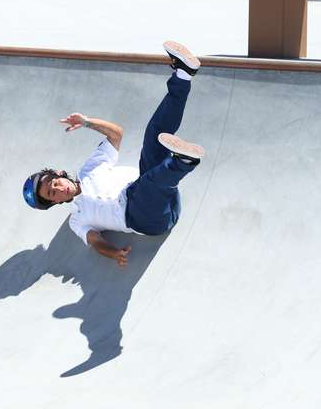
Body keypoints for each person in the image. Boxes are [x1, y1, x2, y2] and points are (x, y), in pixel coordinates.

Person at [22, 41, 205, 268]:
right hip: (146, 217)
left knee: (153, 137)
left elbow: (116, 135)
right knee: (147, 184)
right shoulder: (77, 219)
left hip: (159, 192)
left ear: (59, 174)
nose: (59, 188)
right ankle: (183, 162)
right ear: (55, 202)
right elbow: (95, 241)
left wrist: (87, 122)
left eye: (55, 182)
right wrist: (113, 252)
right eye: (52, 193)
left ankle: (183, 75)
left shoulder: (88, 168)